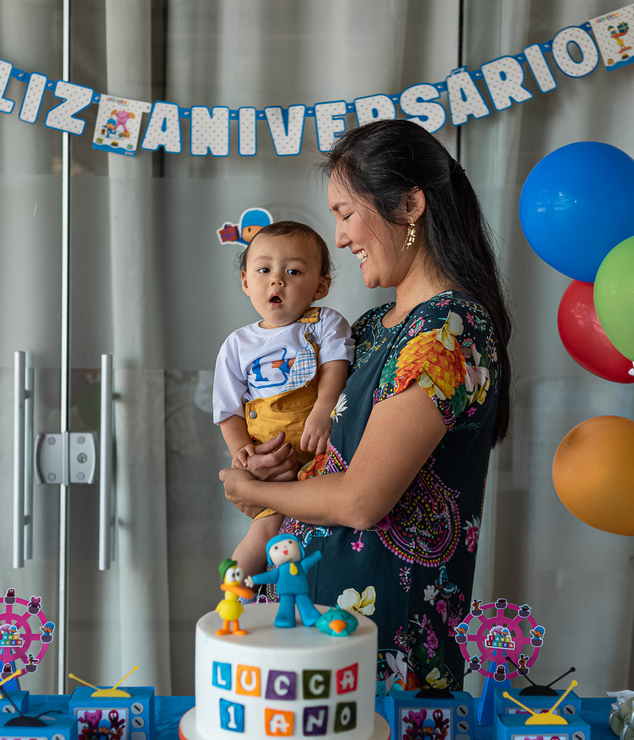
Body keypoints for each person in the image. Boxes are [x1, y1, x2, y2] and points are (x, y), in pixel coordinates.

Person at [220, 119, 512, 693]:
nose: (339, 237)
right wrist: (273, 467)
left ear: (409, 206)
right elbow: (327, 466)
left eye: (347, 213)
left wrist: (256, 493)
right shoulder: (375, 327)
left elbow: (359, 501)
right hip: (314, 626)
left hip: (381, 651)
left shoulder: (447, 333)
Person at [212, 220, 354, 577]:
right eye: (264, 270)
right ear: (246, 282)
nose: (277, 280)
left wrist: (323, 409)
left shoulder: (325, 323)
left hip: (320, 452)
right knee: (265, 530)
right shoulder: (237, 345)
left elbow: (335, 366)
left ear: (321, 285)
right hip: (273, 457)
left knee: (309, 531)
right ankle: (234, 594)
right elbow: (228, 410)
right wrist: (242, 452)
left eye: (293, 271)